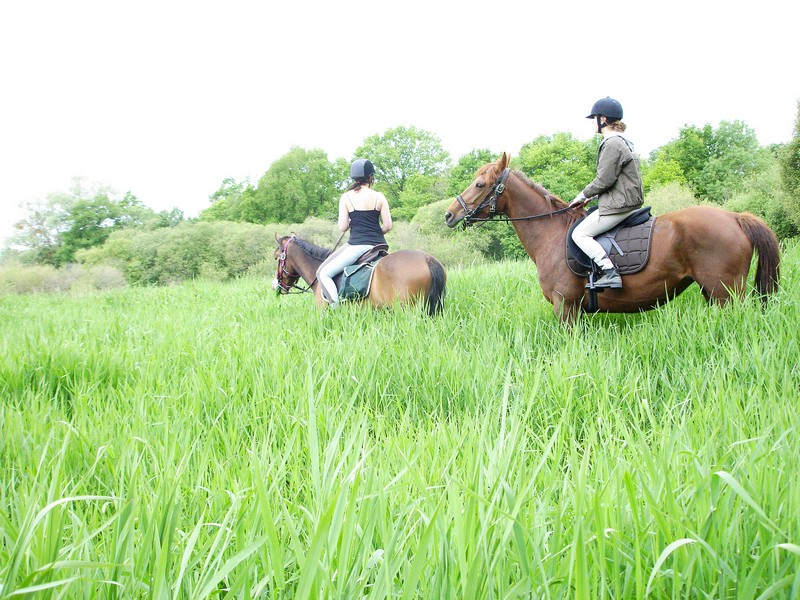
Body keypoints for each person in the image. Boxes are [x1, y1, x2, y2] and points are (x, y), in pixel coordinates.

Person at [569, 97, 644, 288]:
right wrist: (592, 197)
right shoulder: (624, 142)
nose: (593, 123)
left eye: (594, 118)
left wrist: (582, 195)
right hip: (625, 200)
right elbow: (615, 179)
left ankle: (610, 272)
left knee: (580, 234)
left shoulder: (612, 144)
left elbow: (604, 179)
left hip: (620, 205)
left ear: (602, 119)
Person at [316, 158, 393, 307]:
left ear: (354, 178)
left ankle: (335, 309)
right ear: (371, 177)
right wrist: (376, 232)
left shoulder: (346, 197)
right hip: (380, 245)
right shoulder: (379, 196)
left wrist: (354, 223)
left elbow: (342, 227)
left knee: (323, 274)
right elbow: (388, 225)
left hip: (357, 246)